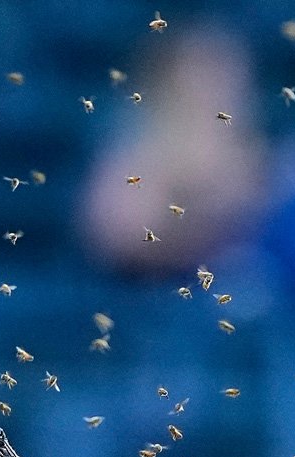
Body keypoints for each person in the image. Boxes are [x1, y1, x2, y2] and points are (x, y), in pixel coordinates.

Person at [78, 29, 266, 275]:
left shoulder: (260, 160)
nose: (216, 89)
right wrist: (189, 195)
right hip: (155, 294)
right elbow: (115, 240)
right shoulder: (133, 155)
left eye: (224, 75)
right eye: (203, 75)